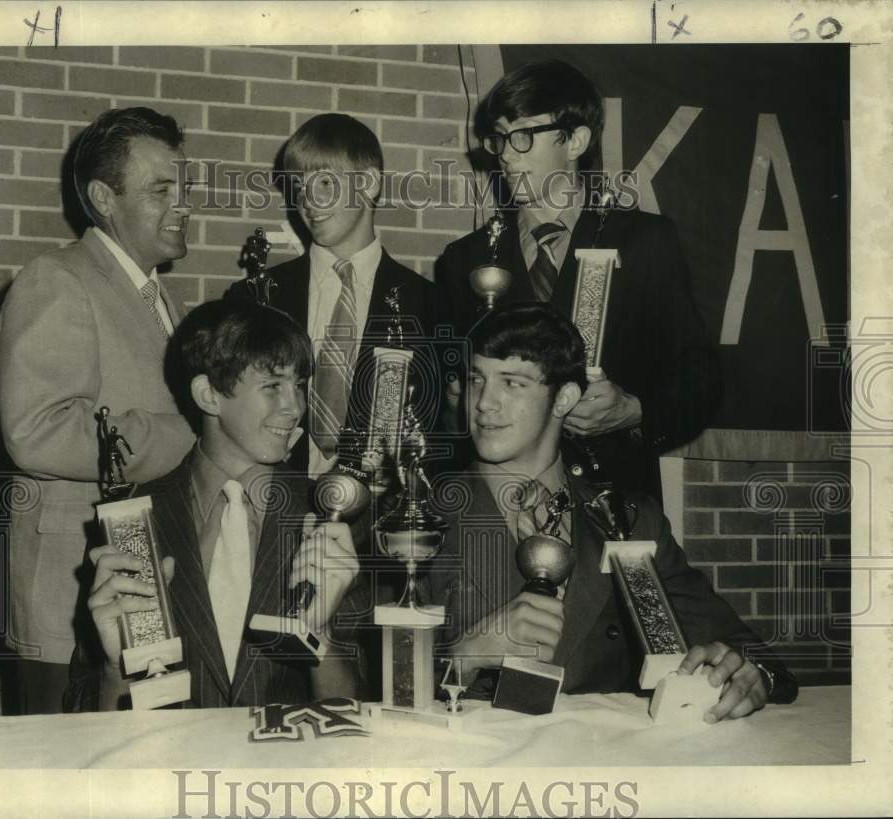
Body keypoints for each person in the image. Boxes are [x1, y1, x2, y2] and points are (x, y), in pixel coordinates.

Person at [426, 304, 796, 721]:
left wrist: (751, 674)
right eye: (476, 379)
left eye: (512, 382)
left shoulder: (632, 520)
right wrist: (463, 656)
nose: (483, 404)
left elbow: (747, 650)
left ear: (564, 397)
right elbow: (352, 678)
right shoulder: (415, 517)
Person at [435, 59, 722, 500]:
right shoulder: (463, 260)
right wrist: (457, 400)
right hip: (495, 502)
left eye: (524, 135)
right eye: (499, 138)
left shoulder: (645, 241)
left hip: (612, 497)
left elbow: (699, 375)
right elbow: (443, 397)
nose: (506, 154)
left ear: (576, 141)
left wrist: (634, 410)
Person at [0, 107, 197, 714]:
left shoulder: (166, 297)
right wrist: (193, 433)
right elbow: (38, 431)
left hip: (142, 586)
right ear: (104, 198)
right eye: (162, 190)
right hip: (68, 601)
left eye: (183, 186)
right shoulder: (56, 279)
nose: (183, 203)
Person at [73, 299, 365, 710]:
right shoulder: (134, 522)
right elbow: (86, 712)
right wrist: (113, 667)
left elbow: (362, 709)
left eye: (299, 384)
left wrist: (323, 636)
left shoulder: (327, 516)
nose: (296, 407)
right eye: (272, 386)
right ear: (209, 395)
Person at [229, 113, 439, 480]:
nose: (309, 201)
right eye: (299, 186)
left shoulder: (429, 303)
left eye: (325, 182)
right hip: (273, 509)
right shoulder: (253, 297)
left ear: (369, 183)